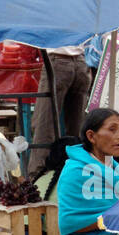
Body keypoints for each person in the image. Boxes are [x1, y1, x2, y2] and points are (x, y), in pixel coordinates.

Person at [28, 44, 91, 172]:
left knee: (44, 126)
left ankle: (38, 175)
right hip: (81, 63)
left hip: (58, 61)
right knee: (77, 128)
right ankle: (77, 172)